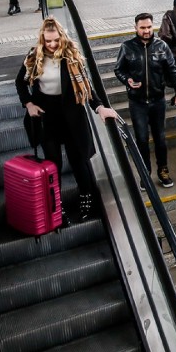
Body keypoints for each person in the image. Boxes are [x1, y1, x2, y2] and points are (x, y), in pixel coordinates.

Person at [16, 17, 117, 223]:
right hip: (47, 117)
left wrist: (99, 107)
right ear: (42, 40)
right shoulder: (34, 57)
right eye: (48, 41)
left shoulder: (72, 57)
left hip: (72, 116)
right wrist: (29, 104)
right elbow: (20, 82)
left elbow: (86, 87)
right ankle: (56, 206)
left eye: (55, 40)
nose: (52, 45)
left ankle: (86, 198)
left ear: (62, 37)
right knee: (53, 164)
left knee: (79, 160)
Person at [114, 13, 176, 188]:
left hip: (157, 100)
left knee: (160, 138)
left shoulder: (162, 46)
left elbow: (173, 70)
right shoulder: (127, 47)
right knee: (142, 139)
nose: (146, 31)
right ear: (136, 28)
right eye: (142, 28)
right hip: (137, 102)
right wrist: (127, 80)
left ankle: (163, 170)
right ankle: (145, 172)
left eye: (149, 27)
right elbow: (118, 69)